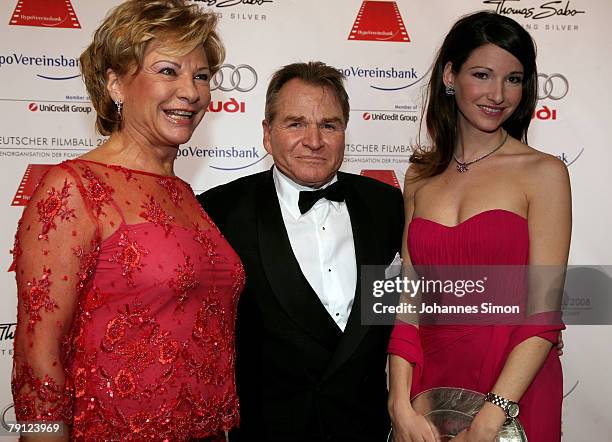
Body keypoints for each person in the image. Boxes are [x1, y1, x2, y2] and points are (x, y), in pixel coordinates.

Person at [11, 1, 243, 440]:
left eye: (201, 75)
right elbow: (37, 358)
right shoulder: (73, 188)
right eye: (168, 71)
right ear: (116, 83)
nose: (191, 92)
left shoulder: (186, 196)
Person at [387, 11, 571, 442]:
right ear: (450, 75)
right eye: (483, 74)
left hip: (515, 389)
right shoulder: (420, 176)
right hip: (429, 390)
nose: (498, 94)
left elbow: (543, 312)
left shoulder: (543, 173)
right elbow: (410, 300)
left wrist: (493, 417)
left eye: (514, 79)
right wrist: (398, 400)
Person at [198, 61, 404, 442]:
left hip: (368, 430)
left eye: (329, 125)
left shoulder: (390, 207)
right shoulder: (218, 213)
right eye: (296, 124)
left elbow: (418, 310)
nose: (314, 140)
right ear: (267, 133)